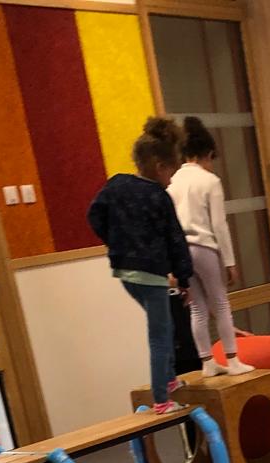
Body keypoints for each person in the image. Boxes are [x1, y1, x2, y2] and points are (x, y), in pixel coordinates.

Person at [88, 119, 192, 411]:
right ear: (160, 167)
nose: (171, 180)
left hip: (125, 272)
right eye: (172, 173)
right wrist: (184, 279)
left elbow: (94, 215)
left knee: (164, 326)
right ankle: (162, 399)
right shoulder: (159, 196)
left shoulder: (117, 185)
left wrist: (114, 242)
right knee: (160, 335)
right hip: (151, 274)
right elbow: (176, 240)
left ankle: (168, 380)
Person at [168, 116, 253, 378]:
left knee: (197, 308)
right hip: (205, 247)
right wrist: (229, 262)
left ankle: (207, 362)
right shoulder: (210, 181)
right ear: (207, 154)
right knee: (221, 303)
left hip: (183, 250)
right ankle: (233, 359)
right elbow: (219, 225)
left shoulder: (172, 182)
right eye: (211, 158)